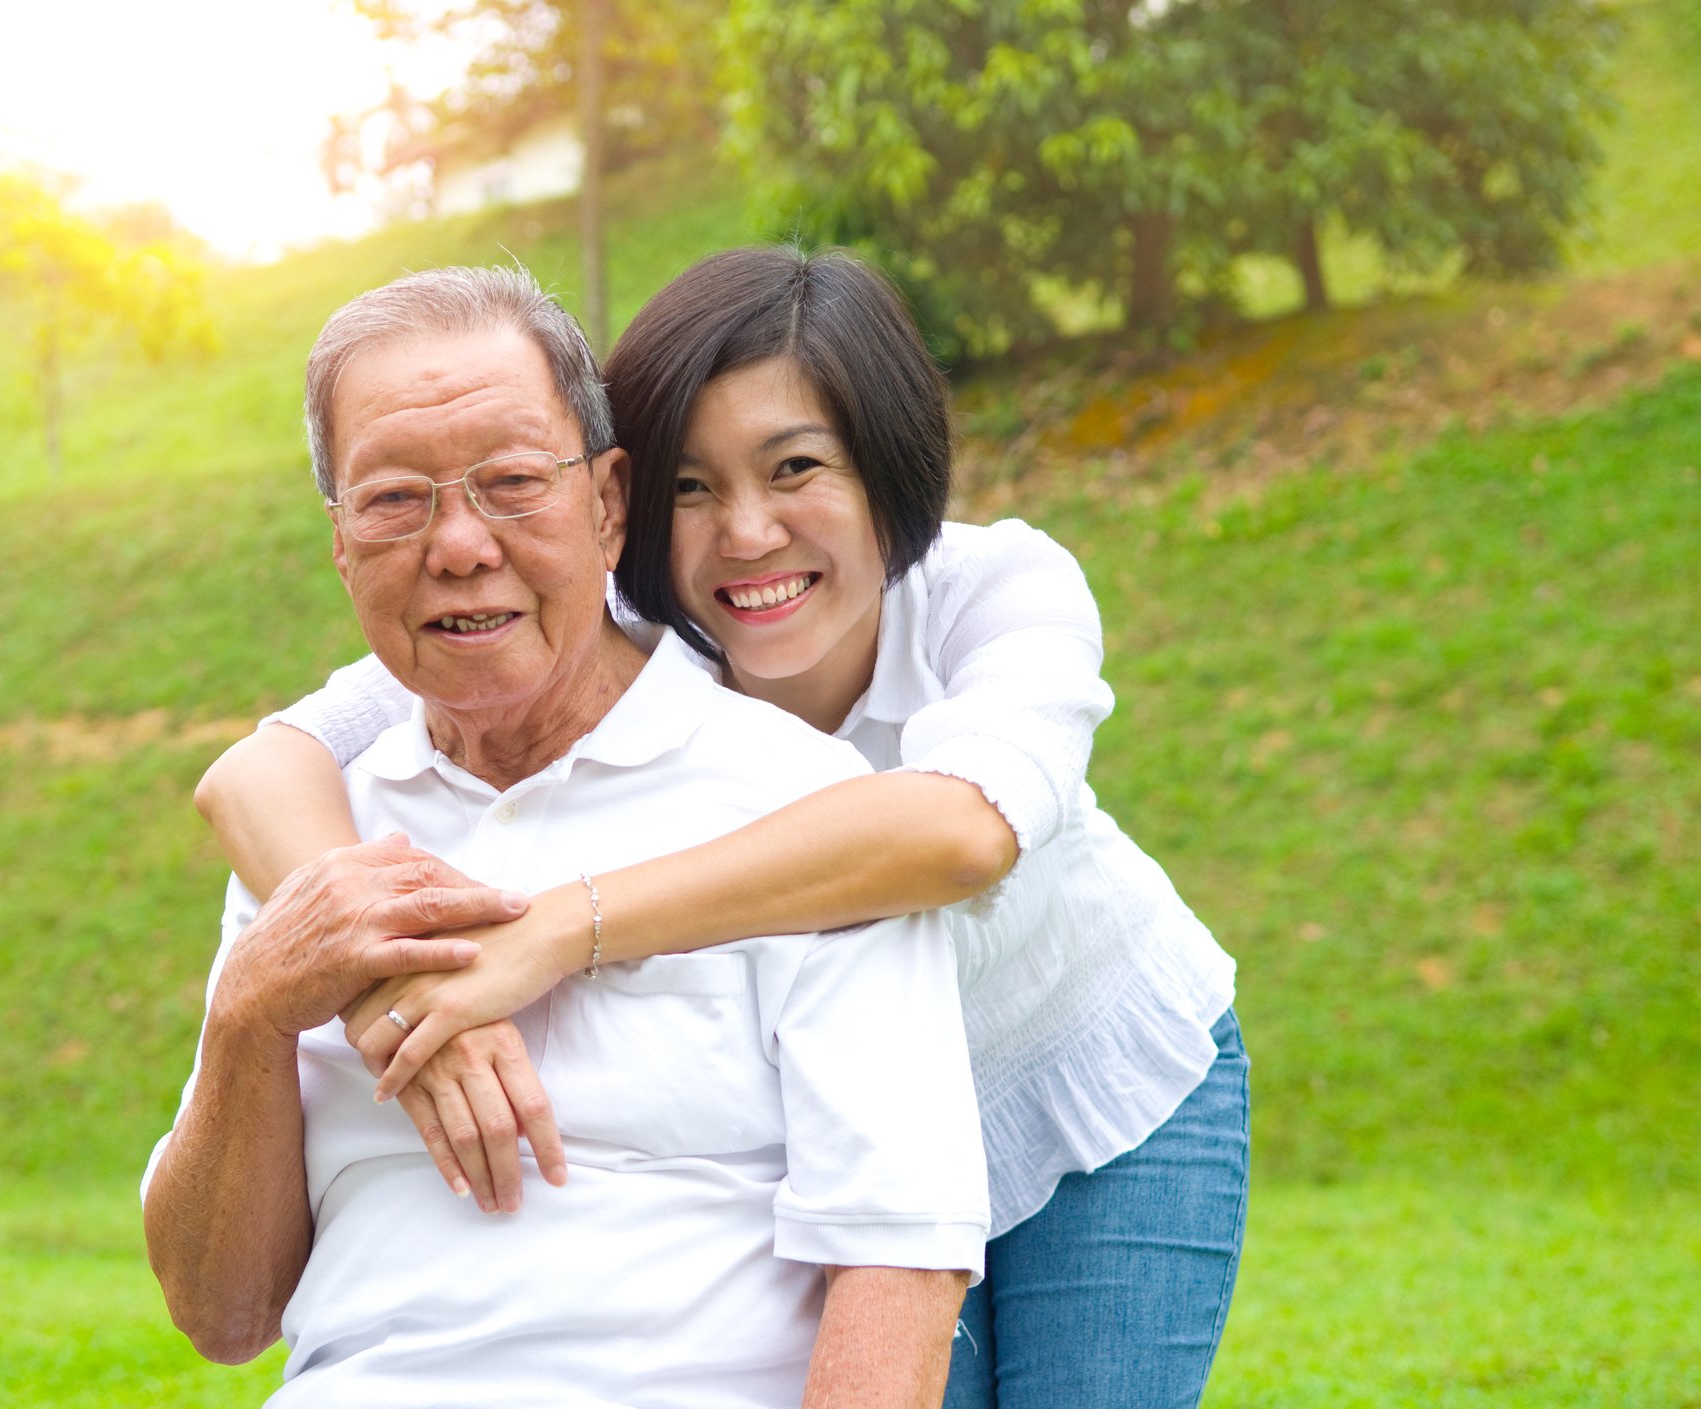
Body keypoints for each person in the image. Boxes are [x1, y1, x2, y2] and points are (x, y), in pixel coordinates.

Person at [199, 247, 1250, 1409]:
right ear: (628, 507)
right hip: (848, 1121)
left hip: (1076, 1053)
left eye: (796, 467)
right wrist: (370, 972)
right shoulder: (593, 613)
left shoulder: (991, 590)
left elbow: (957, 833)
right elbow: (261, 769)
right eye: (692, 489)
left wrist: (557, 928)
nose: (748, 534)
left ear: (886, 469)